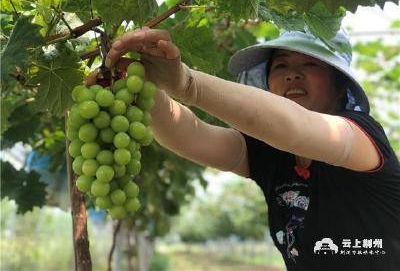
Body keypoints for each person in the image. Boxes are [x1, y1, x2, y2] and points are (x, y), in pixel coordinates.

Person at [104, 27, 400, 271]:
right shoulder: (271, 154)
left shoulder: (360, 135)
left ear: (340, 86)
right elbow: (191, 136)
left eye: (310, 64)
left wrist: (187, 83)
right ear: (268, 84)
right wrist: (144, 88)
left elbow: (295, 128)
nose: (292, 74)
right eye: (281, 65)